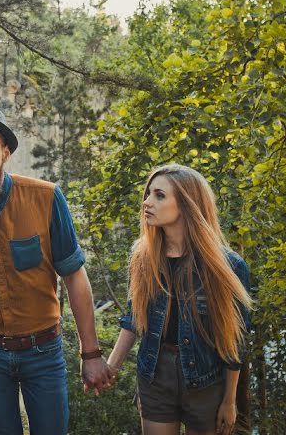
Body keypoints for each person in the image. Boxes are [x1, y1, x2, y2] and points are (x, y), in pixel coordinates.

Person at [0, 101, 112, 435]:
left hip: (43, 352)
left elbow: (74, 276)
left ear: (5, 153)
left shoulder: (45, 199)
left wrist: (91, 354)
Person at [106, 164, 252, 435]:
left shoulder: (227, 266)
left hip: (206, 379)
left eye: (159, 195)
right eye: (148, 194)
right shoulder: (143, 257)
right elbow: (134, 318)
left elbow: (236, 342)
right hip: (155, 374)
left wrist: (230, 401)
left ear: (186, 204)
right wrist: (110, 367)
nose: (147, 202)